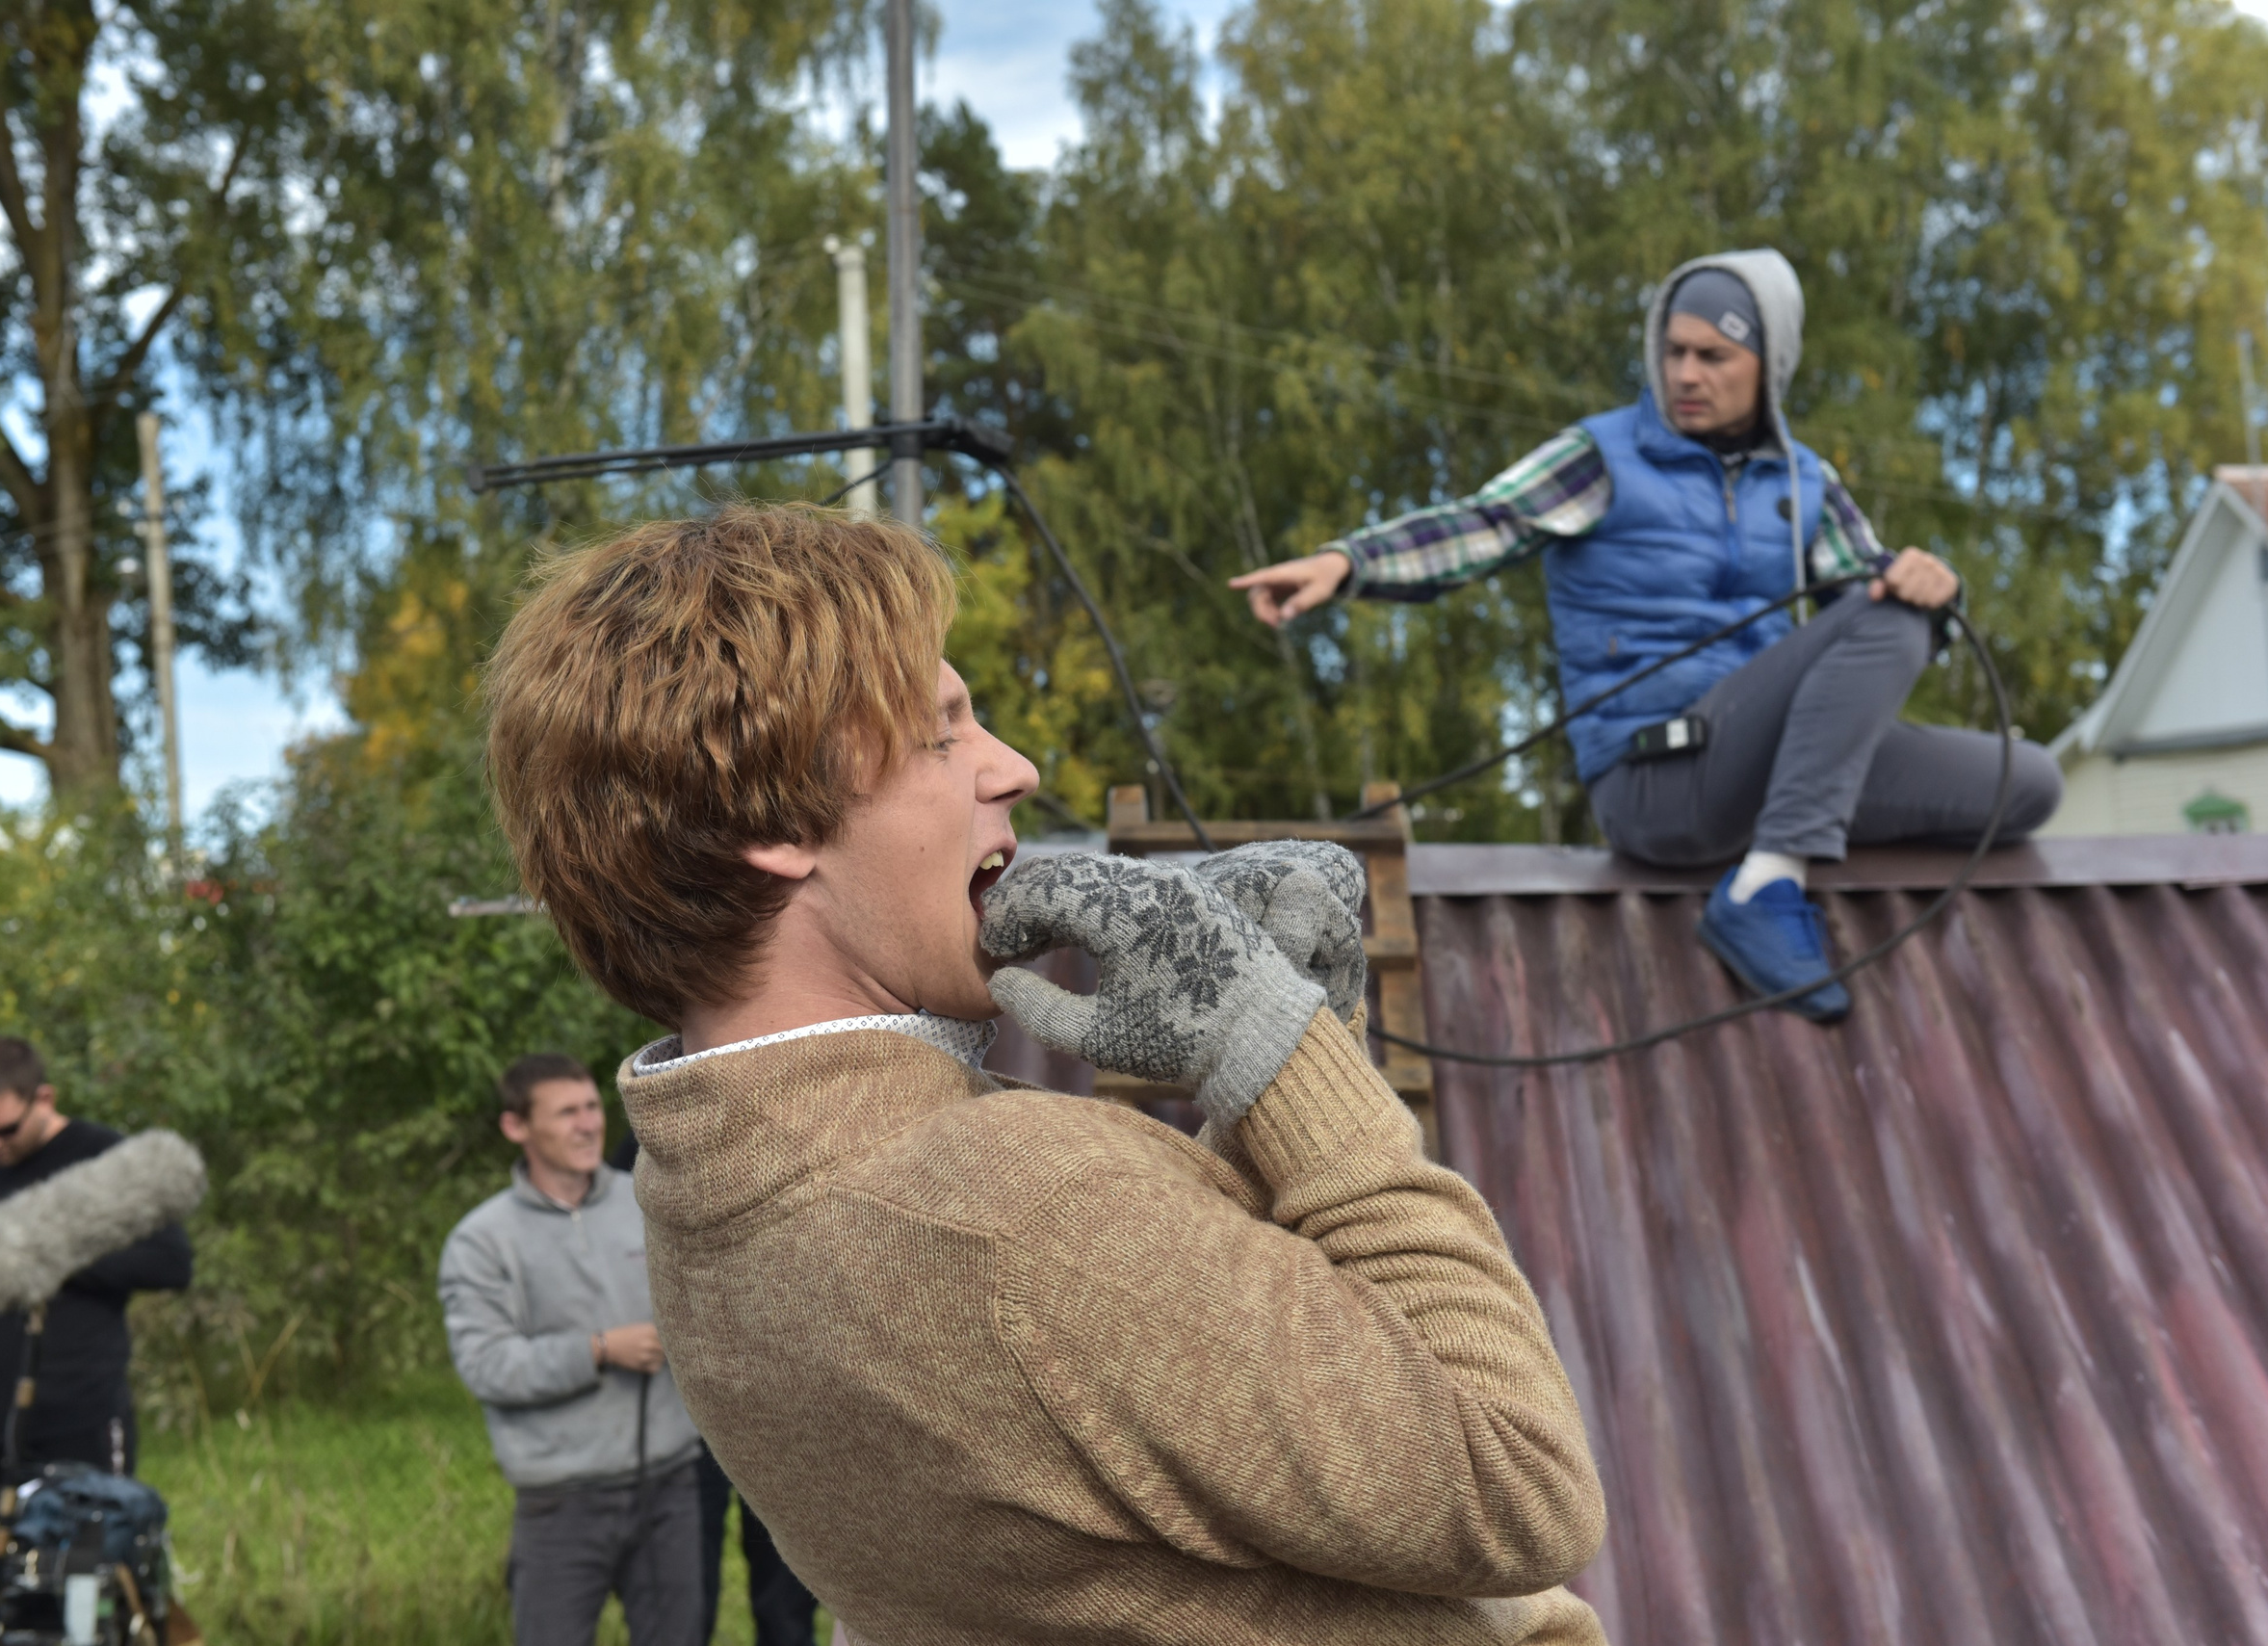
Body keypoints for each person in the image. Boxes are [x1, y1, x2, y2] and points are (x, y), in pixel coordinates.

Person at [481, 505, 1608, 1644]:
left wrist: (1271, 1044)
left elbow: (1154, 1401)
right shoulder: (1021, 1211)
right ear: (773, 821)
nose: (1014, 767)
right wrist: (1286, 1054)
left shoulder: (700, 1208)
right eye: (940, 737)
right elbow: (1518, 1480)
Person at [1231, 249, 2064, 1022]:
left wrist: (1937, 587)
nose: (1686, 374)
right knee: (1888, 612)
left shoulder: (1804, 481)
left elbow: (1877, 602)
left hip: (1767, 770)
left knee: (2024, 783)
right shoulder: (1603, 456)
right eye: (1674, 351)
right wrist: (1347, 564)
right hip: (1657, 779)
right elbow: (1482, 524)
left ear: (1769, 364)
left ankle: (1776, 854)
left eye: (1714, 356)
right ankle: (1767, 887)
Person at [440, 1054, 706, 1646]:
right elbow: (487, 1367)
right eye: (566, 1113)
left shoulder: (651, 1202)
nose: (588, 1125)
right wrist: (600, 1350)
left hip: (669, 1488)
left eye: (591, 1107)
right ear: (516, 1127)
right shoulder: (481, 1241)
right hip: (560, 1503)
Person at [0, 1037, 193, 1539]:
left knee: (88, 1573)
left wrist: (45, 1249)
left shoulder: (104, 1158)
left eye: (5, 1130)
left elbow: (171, 1263)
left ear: (44, 1099)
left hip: (80, 1419)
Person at [609, 1132, 821, 1646]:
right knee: (688, 1591)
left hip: (780, 1414)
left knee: (787, 1600)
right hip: (689, 1409)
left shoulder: (789, 1136)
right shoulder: (649, 1141)